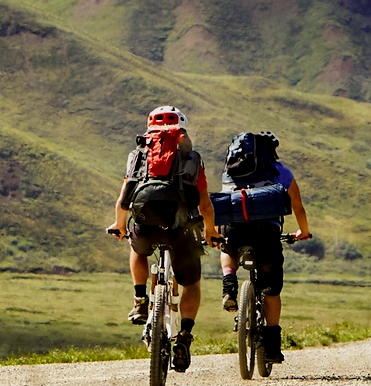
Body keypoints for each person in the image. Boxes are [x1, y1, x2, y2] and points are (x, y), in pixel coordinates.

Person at [107, 105, 216, 371]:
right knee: (192, 284)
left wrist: (119, 226)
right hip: (181, 230)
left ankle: (140, 299)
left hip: (146, 226)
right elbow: (204, 204)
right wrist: (210, 231)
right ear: (182, 130)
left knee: (138, 246)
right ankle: (185, 337)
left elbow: (125, 198)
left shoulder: (139, 154)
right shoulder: (191, 158)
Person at [218, 150, 311, 365]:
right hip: (266, 234)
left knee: (228, 248)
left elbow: (221, 205)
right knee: (271, 289)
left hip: (234, 230)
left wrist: (216, 235)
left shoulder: (231, 171)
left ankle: (229, 284)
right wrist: (303, 232)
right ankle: (271, 347)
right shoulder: (281, 171)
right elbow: (297, 205)